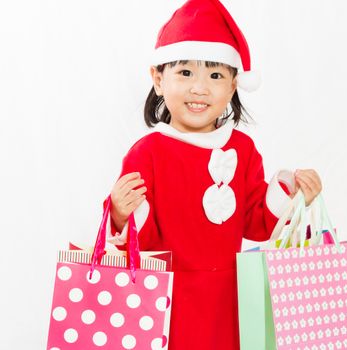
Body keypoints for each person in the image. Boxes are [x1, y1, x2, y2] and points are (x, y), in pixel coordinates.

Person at [106, 0, 322, 348]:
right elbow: (140, 244)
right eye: (185, 72)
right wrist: (119, 211)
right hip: (165, 301)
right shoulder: (147, 153)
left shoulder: (243, 149)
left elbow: (255, 223)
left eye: (216, 75)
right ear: (158, 79)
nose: (200, 88)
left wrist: (290, 192)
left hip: (230, 300)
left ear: (234, 86)